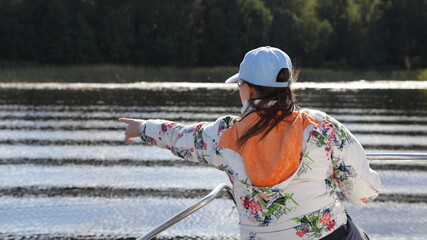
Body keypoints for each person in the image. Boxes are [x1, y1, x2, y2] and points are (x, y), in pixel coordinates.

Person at [119, 46, 382, 240]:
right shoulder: (321, 127)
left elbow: (180, 136)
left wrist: (141, 128)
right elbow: (362, 194)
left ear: (249, 90)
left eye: (240, 85)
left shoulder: (224, 135)